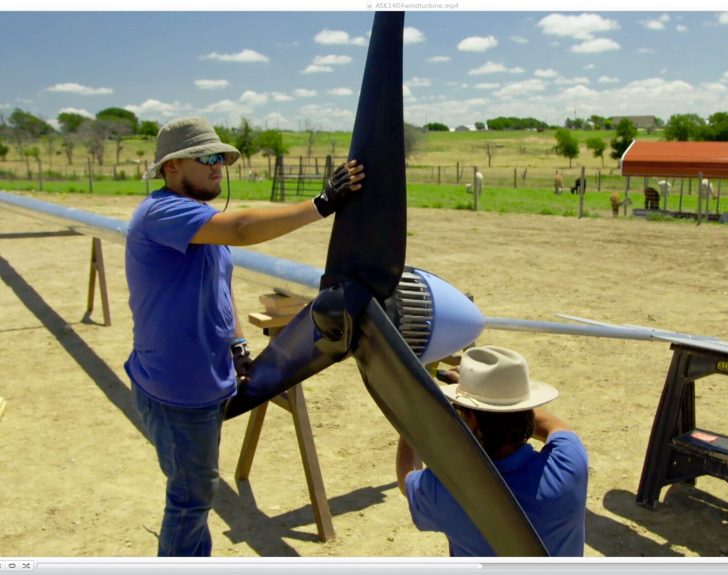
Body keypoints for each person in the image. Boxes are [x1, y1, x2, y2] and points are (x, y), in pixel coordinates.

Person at [124, 116, 364, 556]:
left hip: (201, 381)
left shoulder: (199, 222)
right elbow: (242, 229)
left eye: (222, 158)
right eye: (208, 158)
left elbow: (218, 289)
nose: (219, 166)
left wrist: (236, 343)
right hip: (179, 391)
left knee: (193, 491)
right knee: (190, 500)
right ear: (172, 167)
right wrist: (322, 203)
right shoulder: (162, 213)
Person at [396, 345, 588, 556]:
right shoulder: (569, 464)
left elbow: (406, 476)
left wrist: (412, 413)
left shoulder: (446, 491)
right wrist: (503, 396)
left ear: (472, 422)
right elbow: (554, 426)